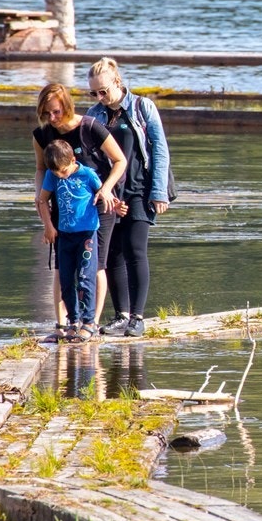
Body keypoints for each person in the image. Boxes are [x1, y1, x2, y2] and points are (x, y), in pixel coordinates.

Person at [85, 57, 173, 338]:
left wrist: (158, 192)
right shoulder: (94, 114)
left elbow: (159, 151)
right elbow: (91, 158)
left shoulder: (141, 108)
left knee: (135, 250)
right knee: (111, 253)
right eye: (94, 93)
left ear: (118, 83)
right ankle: (120, 315)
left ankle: (137, 316)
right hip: (110, 191)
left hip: (139, 189)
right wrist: (103, 190)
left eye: (104, 91)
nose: (100, 97)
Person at [33, 83, 126, 329]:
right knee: (62, 267)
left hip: (96, 206)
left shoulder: (90, 127)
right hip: (63, 210)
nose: (51, 118)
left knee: (95, 265)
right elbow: (41, 169)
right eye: (46, 113)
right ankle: (63, 323)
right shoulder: (42, 134)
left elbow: (119, 160)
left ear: (67, 106)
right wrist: (39, 196)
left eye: (56, 112)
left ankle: (91, 322)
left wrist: (106, 189)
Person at [36, 139, 102, 342]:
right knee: (66, 280)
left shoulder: (87, 174)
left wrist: (114, 203)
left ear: (73, 160)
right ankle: (73, 322)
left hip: (86, 235)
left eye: (63, 171)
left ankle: (89, 322)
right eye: (56, 173)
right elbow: (42, 200)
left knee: (84, 278)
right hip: (64, 235)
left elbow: (103, 192)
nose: (60, 175)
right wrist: (48, 226)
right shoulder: (51, 175)